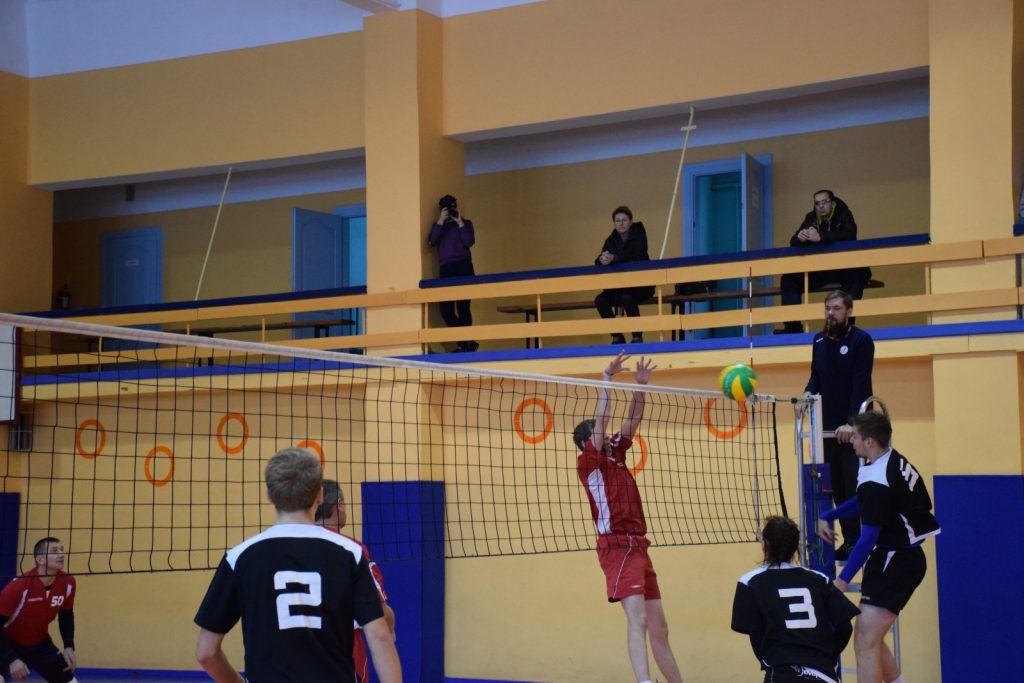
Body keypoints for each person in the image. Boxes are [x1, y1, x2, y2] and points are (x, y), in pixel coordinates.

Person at [194, 448, 401, 683]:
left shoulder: (239, 557)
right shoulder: (349, 553)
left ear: (269, 495)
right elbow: (380, 636)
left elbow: (206, 653)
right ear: (320, 494)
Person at [574, 351, 683, 683]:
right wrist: (607, 379)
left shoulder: (616, 454)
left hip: (639, 545)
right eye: (599, 434)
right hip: (617, 547)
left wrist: (640, 387)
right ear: (587, 442)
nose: (607, 436)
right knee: (638, 620)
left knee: (660, 627)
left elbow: (633, 419)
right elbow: (603, 418)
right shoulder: (588, 463)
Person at [817, 411, 939, 683]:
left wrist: (841, 581)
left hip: (896, 561)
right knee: (871, 638)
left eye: (855, 436)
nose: (851, 441)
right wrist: (830, 515)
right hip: (896, 556)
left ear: (869, 441)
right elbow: (865, 502)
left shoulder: (877, 478)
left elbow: (867, 538)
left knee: (865, 641)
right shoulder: (888, 461)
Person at [732, 516, 860, 683]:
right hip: (823, 673)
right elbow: (844, 627)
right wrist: (826, 658)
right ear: (795, 547)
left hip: (781, 673)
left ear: (765, 544)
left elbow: (756, 634)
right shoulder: (819, 579)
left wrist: (771, 660)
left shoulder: (749, 582)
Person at [798, 290, 874, 559]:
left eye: (837, 308)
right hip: (826, 428)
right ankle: (851, 541)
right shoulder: (818, 340)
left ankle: (865, 540)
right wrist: (807, 393)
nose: (831, 313)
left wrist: (851, 424)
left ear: (849, 312)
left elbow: (860, 384)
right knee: (836, 487)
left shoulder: (861, 340)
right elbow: (815, 377)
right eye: (827, 308)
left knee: (854, 485)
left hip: (853, 429)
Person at [315, 479, 396, 683]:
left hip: (297, 648)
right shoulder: (352, 549)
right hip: (345, 648)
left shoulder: (286, 547)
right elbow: (381, 611)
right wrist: (390, 634)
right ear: (339, 505)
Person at [777, 190, 871, 334]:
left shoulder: (843, 214)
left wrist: (821, 237)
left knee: (858, 274)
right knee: (789, 279)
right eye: (817, 203)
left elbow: (849, 234)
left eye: (825, 202)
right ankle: (792, 328)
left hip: (844, 268)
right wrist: (800, 238)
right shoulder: (811, 217)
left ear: (832, 204)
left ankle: (845, 326)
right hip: (821, 269)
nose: (821, 206)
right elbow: (793, 241)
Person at [0, 537, 77, 683]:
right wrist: (11, 659)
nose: (61, 554)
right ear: (40, 559)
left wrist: (68, 646)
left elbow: (66, 614)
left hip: (40, 644)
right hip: (7, 644)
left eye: (61, 550)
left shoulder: (68, 582)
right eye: (54, 551)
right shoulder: (18, 587)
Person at [594, 206, 656, 345]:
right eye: (617, 221)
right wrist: (601, 259)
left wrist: (614, 258)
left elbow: (638, 255)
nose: (621, 223)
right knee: (600, 300)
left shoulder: (639, 235)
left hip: (642, 285)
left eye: (624, 220)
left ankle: (637, 336)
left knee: (627, 298)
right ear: (614, 223)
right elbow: (600, 258)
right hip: (619, 287)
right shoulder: (611, 239)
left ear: (630, 221)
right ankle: (616, 335)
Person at [428, 194, 478, 352]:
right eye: (446, 209)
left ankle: (464, 344)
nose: (450, 212)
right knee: (446, 310)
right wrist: (440, 221)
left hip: (464, 267)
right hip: (446, 269)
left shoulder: (466, 223)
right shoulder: (439, 226)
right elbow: (432, 240)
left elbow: (469, 241)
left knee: (463, 308)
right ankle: (467, 341)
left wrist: (460, 222)